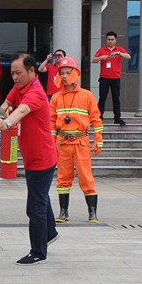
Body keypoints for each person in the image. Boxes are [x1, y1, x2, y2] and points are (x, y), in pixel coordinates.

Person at [0, 53, 59, 265]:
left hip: (42, 158)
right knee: (41, 196)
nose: (14, 77)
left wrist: (7, 122)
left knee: (35, 207)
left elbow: (22, 110)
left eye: (18, 72)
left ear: (31, 70)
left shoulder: (36, 92)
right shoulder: (19, 87)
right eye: (12, 73)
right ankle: (50, 232)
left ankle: (38, 252)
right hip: (30, 155)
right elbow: (5, 105)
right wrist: (6, 110)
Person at [50, 56, 102, 223]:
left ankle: (92, 212)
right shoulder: (56, 98)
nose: (64, 76)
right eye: (62, 73)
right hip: (63, 142)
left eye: (67, 72)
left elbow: (96, 119)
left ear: (75, 73)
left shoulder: (86, 95)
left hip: (81, 142)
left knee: (86, 176)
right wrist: (52, 141)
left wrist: (98, 139)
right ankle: (63, 212)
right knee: (63, 178)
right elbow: (51, 122)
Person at [92, 31, 131, 126]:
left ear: (115, 40)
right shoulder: (102, 50)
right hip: (104, 78)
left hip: (115, 77)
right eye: (108, 39)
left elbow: (128, 57)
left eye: (112, 39)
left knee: (116, 98)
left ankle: (117, 118)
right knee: (102, 98)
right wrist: (102, 57)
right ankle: (99, 117)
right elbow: (93, 60)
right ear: (106, 40)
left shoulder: (119, 49)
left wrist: (119, 53)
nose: (110, 41)